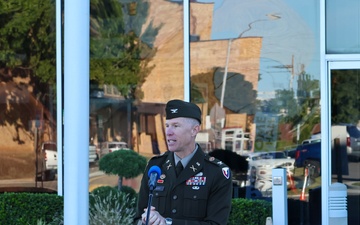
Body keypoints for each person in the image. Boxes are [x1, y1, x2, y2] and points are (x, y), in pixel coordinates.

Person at [134, 99, 232, 225]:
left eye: (176, 126)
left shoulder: (216, 172)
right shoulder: (155, 166)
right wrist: (145, 220)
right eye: (167, 126)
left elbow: (216, 224)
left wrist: (168, 223)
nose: (168, 132)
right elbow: (137, 218)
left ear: (194, 130)